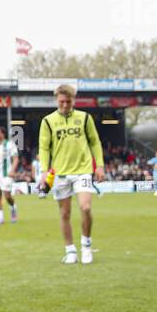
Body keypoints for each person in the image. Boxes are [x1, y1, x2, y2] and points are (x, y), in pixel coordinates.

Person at [37, 84, 104, 264]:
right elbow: (43, 148)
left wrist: (100, 166)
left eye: (68, 101)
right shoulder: (48, 121)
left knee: (85, 207)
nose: (65, 105)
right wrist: (44, 170)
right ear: (56, 100)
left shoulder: (84, 118)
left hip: (83, 170)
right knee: (65, 214)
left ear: (74, 100)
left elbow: (95, 142)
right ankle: (70, 251)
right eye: (61, 102)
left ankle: (86, 245)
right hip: (60, 174)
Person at [0, 126, 19, 224]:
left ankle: (13, 208)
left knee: (7, 196)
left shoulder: (10, 145)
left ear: (2, 134)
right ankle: (0, 217)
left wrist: (12, 170)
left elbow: (15, 159)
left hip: (6, 174)